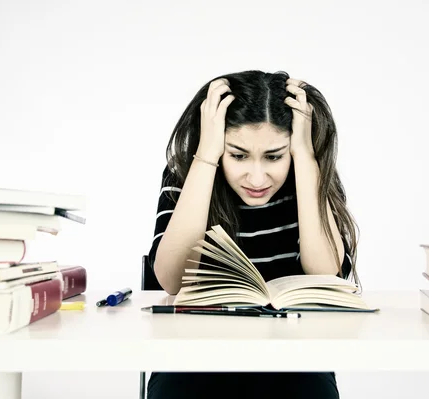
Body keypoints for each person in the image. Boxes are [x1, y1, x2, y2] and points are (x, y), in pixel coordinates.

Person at [146, 70, 360, 399]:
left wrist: (304, 155)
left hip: (295, 359)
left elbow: (325, 272)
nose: (257, 178)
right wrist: (206, 156)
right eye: (239, 155)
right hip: (195, 357)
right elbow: (171, 280)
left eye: (274, 156)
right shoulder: (186, 175)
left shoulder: (309, 175)